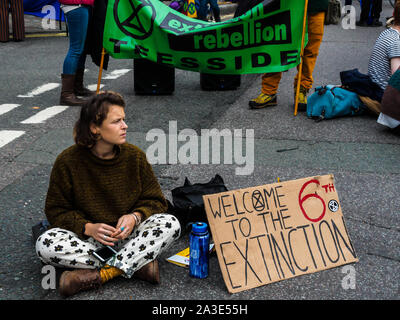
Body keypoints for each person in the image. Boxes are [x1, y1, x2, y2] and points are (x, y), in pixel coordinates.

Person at [35, 91, 181, 297]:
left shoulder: (135, 156)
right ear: (94, 128)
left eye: (124, 119)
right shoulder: (68, 161)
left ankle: (102, 275)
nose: (125, 126)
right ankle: (138, 265)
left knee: (170, 224)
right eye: (117, 121)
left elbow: (156, 201)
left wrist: (135, 216)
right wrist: (87, 227)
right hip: (88, 241)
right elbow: (55, 210)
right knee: (45, 244)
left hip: (128, 236)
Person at [249, 0, 329, 111]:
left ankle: (302, 88)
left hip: (315, 6)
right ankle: (269, 91)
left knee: (310, 49)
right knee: (278, 45)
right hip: (287, 4)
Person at [59, 0, 96, 106]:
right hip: (76, 5)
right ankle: (67, 94)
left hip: (78, 5)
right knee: (76, 49)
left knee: (81, 49)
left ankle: (77, 87)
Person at [368, 1, 400, 91]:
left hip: (375, 87)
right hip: (384, 93)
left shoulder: (388, 32)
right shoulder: (396, 42)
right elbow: (397, 78)